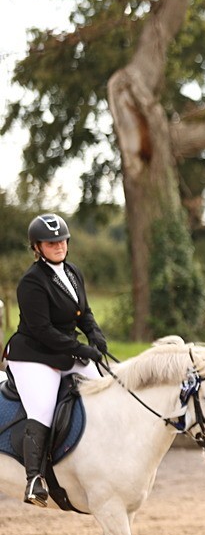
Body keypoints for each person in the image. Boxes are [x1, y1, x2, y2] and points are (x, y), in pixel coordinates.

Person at [4, 213, 107, 506]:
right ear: (37, 247)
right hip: (33, 355)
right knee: (44, 408)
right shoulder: (31, 282)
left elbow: (84, 313)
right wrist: (82, 349)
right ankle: (34, 479)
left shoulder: (73, 272)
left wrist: (95, 336)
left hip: (64, 351)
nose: (58, 246)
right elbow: (43, 331)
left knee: (104, 388)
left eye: (62, 240)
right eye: (51, 243)